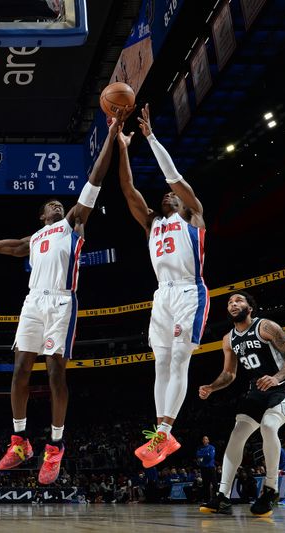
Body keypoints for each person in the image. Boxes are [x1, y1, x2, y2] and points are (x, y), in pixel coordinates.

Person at [0, 115, 123, 485]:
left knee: (54, 372)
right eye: (49, 205)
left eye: (58, 203)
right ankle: (19, 441)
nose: (55, 205)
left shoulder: (72, 224)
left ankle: (55, 444)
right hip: (33, 303)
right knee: (19, 370)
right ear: (40, 216)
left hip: (62, 303)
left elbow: (95, 180)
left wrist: (111, 136)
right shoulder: (32, 240)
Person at [117, 104, 209, 468]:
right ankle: (161, 434)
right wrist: (122, 147)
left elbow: (174, 178)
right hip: (162, 294)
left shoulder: (194, 216)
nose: (168, 195)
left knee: (180, 360)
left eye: (174, 197)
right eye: (166, 196)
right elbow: (127, 189)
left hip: (189, 290)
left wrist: (150, 137)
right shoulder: (151, 224)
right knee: (162, 363)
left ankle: (166, 431)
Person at [199, 291, 285, 517]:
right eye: (229, 302)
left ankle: (270, 489)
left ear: (250, 307)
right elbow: (229, 373)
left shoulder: (266, 327)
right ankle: (223, 497)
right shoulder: (228, 339)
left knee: (268, 426)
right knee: (237, 435)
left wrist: (277, 377)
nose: (233, 303)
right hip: (258, 391)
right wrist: (211, 386)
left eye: (239, 300)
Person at [196, 436, 216, 502]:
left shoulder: (211, 447)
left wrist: (202, 457)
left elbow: (211, 456)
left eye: (206, 439)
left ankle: (215, 498)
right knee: (205, 484)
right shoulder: (200, 448)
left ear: (208, 441)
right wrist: (206, 454)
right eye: (203, 439)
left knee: (214, 483)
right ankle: (206, 500)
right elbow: (198, 455)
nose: (205, 440)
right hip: (203, 468)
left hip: (211, 467)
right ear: (202, 441)